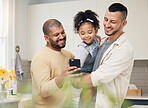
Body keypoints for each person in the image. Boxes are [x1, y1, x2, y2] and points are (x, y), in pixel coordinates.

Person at [74, 3, 134, 108]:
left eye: (113, 22)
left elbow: (99, 77)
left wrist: (77, 81)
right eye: (106, 19)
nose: (107, 24)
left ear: (123, 23)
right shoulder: (100, 42)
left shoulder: (124, 50)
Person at [30, 19, 81, 108]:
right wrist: (62, 77)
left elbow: (76, 80)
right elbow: (44, 90)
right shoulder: (40, 58)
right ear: (46, 38)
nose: (61, 37)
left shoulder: (68, 55)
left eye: (63, 32)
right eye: (56, 35)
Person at [73, 10, 100, 108]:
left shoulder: (96, 39)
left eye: (90, 32)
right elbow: (77, 66)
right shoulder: (82, 49)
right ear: (79, 33)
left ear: (95, 31)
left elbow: (99, 39)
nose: (87, 36)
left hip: (92, 73)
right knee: (88, 92)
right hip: (84, 74)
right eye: (83, 33)